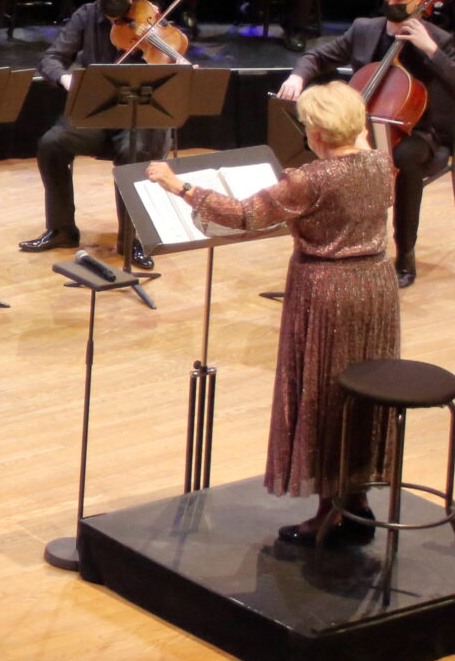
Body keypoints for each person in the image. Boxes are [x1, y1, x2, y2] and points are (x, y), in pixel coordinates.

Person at [145, 81, 398, 547]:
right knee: (360, 394)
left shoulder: (310, 179)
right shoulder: (383, 164)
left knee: (323, 394)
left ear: (318, 133)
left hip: (326, 292)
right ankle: (356, 500)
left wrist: (178, 185)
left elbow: (243, 213)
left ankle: (332, 513)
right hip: (376, 289)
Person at [282, 0, 455, 287]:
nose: (393, 6)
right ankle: (331, 242)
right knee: (324, 146)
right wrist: (298, 76)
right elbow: (316, 57)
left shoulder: (438, 38)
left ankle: (405, 253)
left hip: (416, 133)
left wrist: (429, 49)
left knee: (403, 161)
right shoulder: (365, 29)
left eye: (401, 1)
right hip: (363, 127)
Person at [18, 0, 169, 270]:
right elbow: (51, 57)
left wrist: (172, 58)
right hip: (97, 114)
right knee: (51, 144)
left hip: (138, 119)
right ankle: (62, 229)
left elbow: (172, 60)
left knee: (134, 153)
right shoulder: (85, 16)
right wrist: (65, 77)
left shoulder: (150, 18)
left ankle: (132, 239)